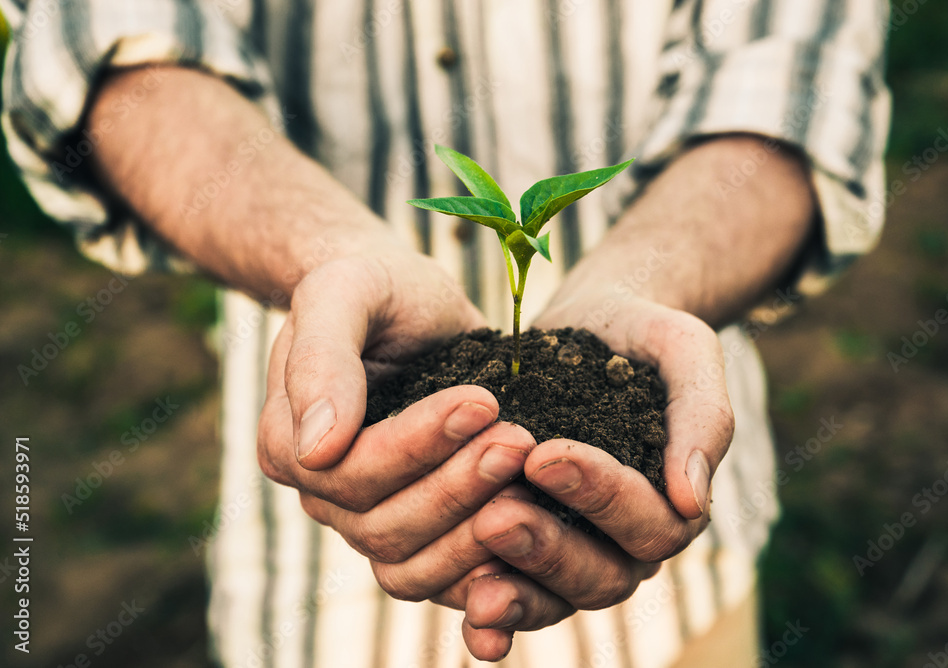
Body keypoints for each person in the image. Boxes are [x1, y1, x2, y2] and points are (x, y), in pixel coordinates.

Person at [1, 0, 889, 665]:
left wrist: (638, 283)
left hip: (668, 581)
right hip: (317, 589)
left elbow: (795, 79)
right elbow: (103, 41)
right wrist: (329, 257)